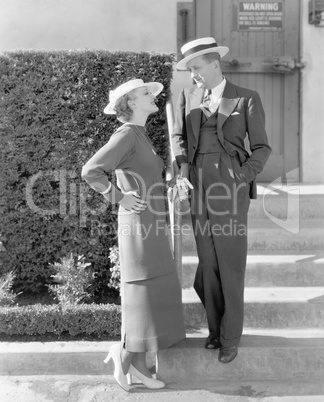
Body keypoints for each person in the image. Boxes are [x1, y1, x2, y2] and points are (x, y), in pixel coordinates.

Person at [172, 37, 271, 363]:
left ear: (215, 63)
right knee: (208, 261)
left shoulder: (246, 98)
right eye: (189, 70)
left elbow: (261, 148)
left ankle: (230, 336)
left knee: (230, 263)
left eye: (196, 68)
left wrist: (241, 176)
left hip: (230, 186)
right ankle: (214, 329)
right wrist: (183, 169)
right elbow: (179, 137)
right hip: (199, 184)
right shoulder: (188, 96)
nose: (193, 75)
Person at [81, 79, 185, 391]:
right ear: (130, 102)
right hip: (137, 225)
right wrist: (119, 197)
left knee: (154, 290)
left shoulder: (140, 133)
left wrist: (171, 187)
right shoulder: (126, 133)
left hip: (151, 221)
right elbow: (91, 171)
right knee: (143, 290)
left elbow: (146, 177)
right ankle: (123, 353)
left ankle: (139, 366)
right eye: (146, 94)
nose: (154, 96)